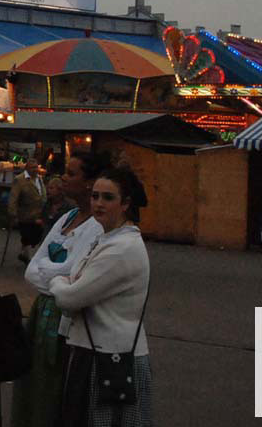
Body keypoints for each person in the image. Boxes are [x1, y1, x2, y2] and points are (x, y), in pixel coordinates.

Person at [50, 166, 152, 427]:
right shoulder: (108, 239)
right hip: (96, 350)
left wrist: (55, 281)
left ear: (126, 203)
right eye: (95, 196)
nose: (98, 203)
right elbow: (74, 286)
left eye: (108, 198)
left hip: (109, 356)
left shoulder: (121, 248)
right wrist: (68, 284)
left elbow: (70, 298)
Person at [14, 153, 104, 427]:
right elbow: (32, 270)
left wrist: (52, 271)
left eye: (72, 173)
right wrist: (57, 274)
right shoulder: (68, 216)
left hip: (67, 319)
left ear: (89, 183)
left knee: (58, 390)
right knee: (36, 386)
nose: (64, 178)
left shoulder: (97, 227)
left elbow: (75, 274)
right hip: (43, 312)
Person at [8, 158, 46, 264]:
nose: (35, 170)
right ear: (27, 168)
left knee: (36, 236)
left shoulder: (39, 178)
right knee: (29, 237)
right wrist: (13, 214)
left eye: (36, 167)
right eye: (32, 168)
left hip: (39, 214)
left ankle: (25, 254)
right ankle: (29, 259)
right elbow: (13, 198)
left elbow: (42, 194)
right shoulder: (20, 180)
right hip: (26, 214)